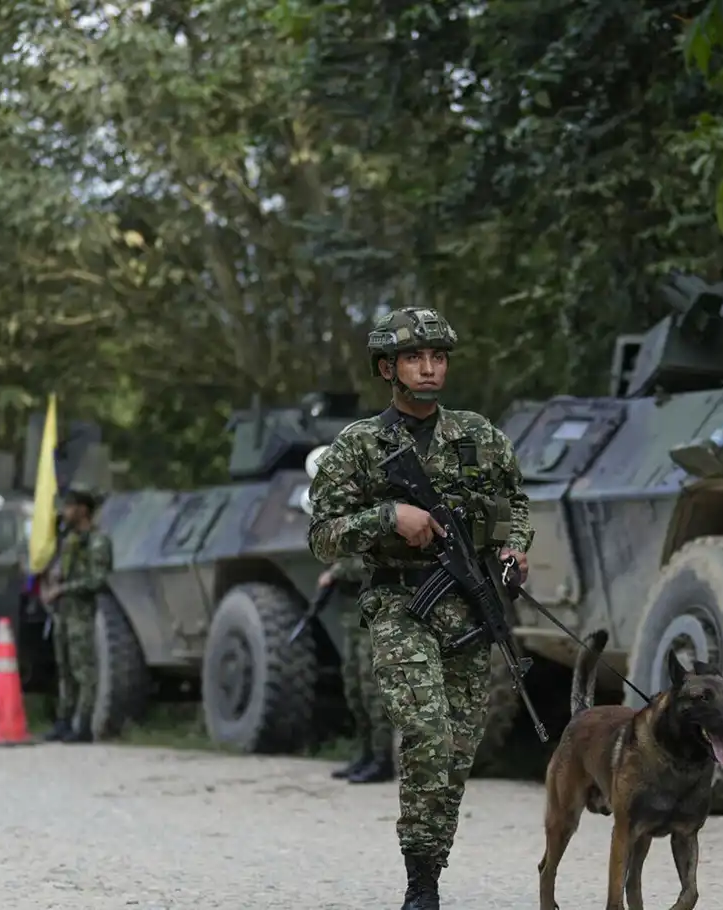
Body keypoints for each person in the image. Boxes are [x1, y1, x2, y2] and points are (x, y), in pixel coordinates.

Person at [307, 307, 534, 910]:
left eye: (438, 358)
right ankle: (421, 888)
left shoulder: (479, 436)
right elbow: (322, 534)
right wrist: (389, 517)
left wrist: (515, 547)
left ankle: (432, 866)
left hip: (469, 610)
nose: (430, 368)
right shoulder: (360, 444)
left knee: (458, 751)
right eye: (415, 358)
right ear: (388, 368)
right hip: (400, 606)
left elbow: (515, 499)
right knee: (428, 734)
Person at [40, 482, 113, 744]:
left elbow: (98, 580)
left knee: (85, 672)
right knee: (66, 671)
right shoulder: (70, 541)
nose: (65, 511)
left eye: (70, 506)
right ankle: (64, 721)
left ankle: (83, 726)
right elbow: (61, 571)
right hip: (63, 614)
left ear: (83, 510)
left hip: (81, 614)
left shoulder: (97, 542)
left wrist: (63, 589)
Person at [326, 554, 396, 784]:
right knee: (354, 690)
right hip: (355, 618)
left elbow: (377, 563)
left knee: (373, 692)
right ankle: (364, 754)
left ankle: (382, 759)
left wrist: (338, 571)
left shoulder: (383, 523)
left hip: (376, 618)